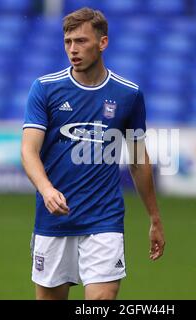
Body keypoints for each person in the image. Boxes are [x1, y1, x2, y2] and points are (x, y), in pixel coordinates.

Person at [21, 7, 165, 300]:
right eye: (68, 42)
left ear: (103, 43)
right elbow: (28, 150)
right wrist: (46, 189)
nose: (73, 50)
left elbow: (138, 160)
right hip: (54, 220)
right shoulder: (45, 89)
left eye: (81, 41)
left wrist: (155, 218)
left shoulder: (129, 95)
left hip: (104, 220)